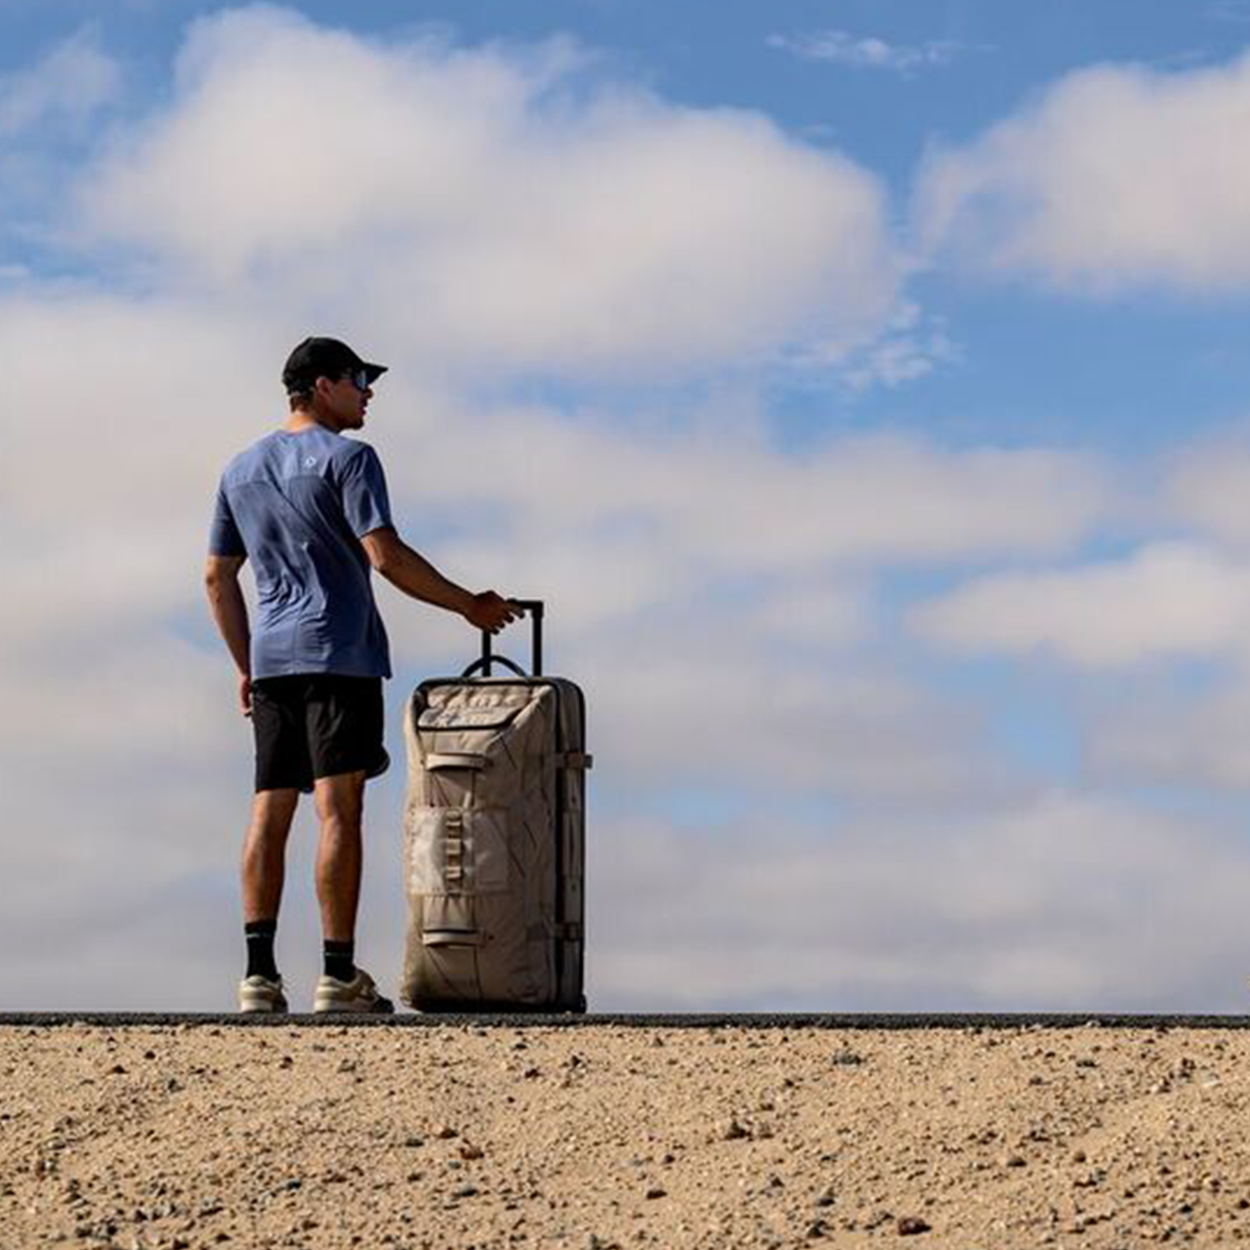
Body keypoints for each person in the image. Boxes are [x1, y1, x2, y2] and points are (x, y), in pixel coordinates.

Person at [204, 336, 521, 1014]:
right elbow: (385, 556)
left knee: (269, 806)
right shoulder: (350, 459)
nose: (368, 391)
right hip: (338, 653)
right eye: (358, 378)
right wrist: (469, 605)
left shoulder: (240, 468)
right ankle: (337, 974)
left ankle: (258, 976)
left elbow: (216, 576)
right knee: (338, 808)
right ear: (322, 385)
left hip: (273, 661)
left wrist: (244, 663)